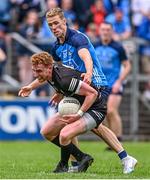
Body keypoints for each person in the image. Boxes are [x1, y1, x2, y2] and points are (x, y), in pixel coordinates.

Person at [45, 7, 136, 174]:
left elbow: (85, 55)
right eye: (50, 25)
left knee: (85, 123)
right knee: (77, 122)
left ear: (64, 22)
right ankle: (81, 162)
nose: (53, 27)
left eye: (56, 23)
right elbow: (58, 70)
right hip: (77, 89)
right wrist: (59, 92)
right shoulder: (56, 46)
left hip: (96, 86)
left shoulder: (77, 38)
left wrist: (88, 71)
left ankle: (122, 158)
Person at [19, 52, 137, 174]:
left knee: (65, 134)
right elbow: (43, 78)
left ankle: (63, 166)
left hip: (95, 107)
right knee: (46, 132)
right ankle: (82, 157)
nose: (35, 74)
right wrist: (32, 87)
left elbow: (93, 94)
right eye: (34, 70)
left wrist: (79, 114)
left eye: (38, 71)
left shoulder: (64, 79)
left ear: (49, 67)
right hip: (78, 103)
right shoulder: (50, 72)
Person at [95, 22, 131, 143]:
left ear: (112, 31)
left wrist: (119, 82)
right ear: (99, 31)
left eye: (108, 30)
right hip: (100, 85)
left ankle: (118, 138)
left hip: (114, 84)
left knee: (111, 110)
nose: (105, 32)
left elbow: (127, 66)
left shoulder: (118, 47)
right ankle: (112, 140)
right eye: (103, 29)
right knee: (103, 113)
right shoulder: (94, 46)